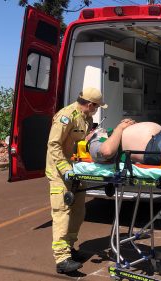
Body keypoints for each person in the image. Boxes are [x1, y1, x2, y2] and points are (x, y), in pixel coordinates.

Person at [45, 87, 108, 274]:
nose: (96, 110)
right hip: (60, 172)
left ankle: (70, 248)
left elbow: (80, 143)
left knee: (79, 211)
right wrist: (65, 169)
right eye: (96, 107)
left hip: (76, 171)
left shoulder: (87, 118)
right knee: (62, 212)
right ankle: (62, 259)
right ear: (89, 104)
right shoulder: (66, 116)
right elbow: (53, 144)